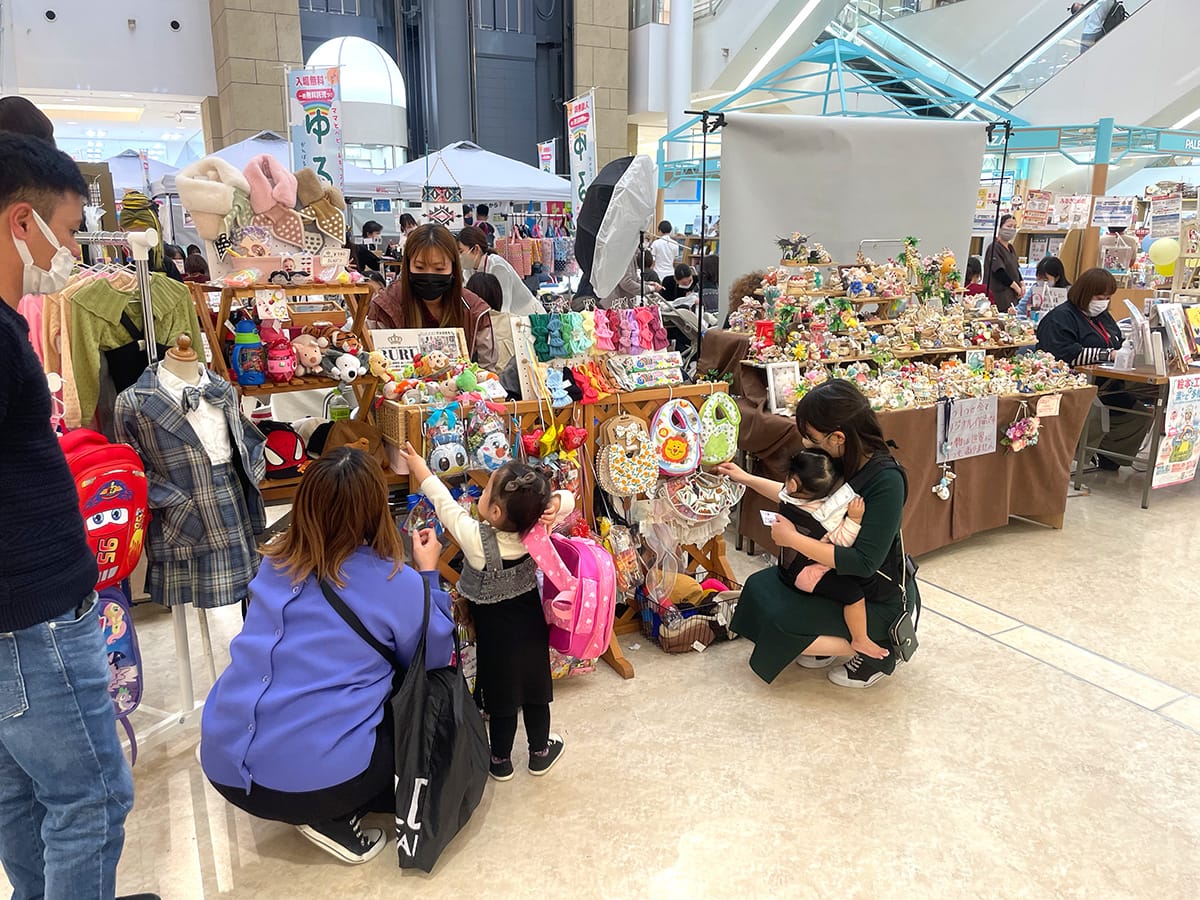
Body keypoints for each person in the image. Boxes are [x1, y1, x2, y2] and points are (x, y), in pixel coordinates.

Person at [0, 132, 158, 900]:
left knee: (25, 798)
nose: (72, 252)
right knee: (92, 798)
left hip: (19, 622)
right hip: (32, 620)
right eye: (66, 232)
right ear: (20, 222)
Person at [201, 448, 455, 865]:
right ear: (376, 510)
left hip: (222, 763)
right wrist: (428, 575)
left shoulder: (273, 561)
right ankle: (330, 815)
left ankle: (301, 782)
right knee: (413, 726)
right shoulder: (395, 581)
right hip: (312, 787)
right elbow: (435, 658)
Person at [718, 379, 908, 688]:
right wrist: (744, 477)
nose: (806, 444)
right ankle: (829, 637)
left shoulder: (886, 481)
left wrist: (794, 540)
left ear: (837, 437)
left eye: (811, 437)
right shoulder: (839, 459)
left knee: (784, 626)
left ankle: (878, 649)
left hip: (871, 591)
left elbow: (863, 563)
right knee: (757, 589)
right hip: (826, 572)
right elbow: (793, 496)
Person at [398, 447, 570, 781]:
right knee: (536, 692)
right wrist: (554, 506)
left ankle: (500, 761)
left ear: (493, 510)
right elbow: (567, 500)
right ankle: (539, 753)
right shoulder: (536, 530)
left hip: (494, 635)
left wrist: (420, 467)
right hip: (531, 628)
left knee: (501, 696)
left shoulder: (476, 540)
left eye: (487, 487)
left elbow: (444, 503)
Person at [1036, 267, 1152, 470]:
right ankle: (1081, 458)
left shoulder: (1103, 317)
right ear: (1085, 293)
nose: (1103, 301)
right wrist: (1108, 354)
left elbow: (1117, 341)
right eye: (1099, 296)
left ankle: (1111, 458)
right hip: (1070, 383)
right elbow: (1065, 353)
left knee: (1141, 414)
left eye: (1107, 297)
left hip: (1107, 382)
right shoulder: (1060, 317)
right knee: (1095, 412)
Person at [778, 450, 890, 661]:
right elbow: (842, 543)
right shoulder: (823, 516)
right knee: (854, 594)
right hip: (808, 574)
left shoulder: (786, 496)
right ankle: (860, 639)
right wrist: (854, 520)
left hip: (790, 567)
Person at [368, 223, 497, 367]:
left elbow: (488, 368)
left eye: (439, 268)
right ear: (408, 265)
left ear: (453, 268)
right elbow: (373, 360)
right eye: (419, 267)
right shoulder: (385, 305)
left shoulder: (474, 309)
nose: (429, 275)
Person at [458, 225, 543, 315]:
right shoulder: (468, 270)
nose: (458, 256)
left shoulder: (498, 266)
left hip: (529, 316)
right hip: (506, 319)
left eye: (461, 252)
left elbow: (504, 307)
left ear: (476, 249)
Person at [467, 271, 515, 371]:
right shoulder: (515, 320)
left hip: (484, 380)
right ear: (498, 295)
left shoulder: (473, 324)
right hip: (516, 380)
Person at [983, 214, 1023, 313]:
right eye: (1009, 226)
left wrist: (1022, 283)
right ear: (1000, 227)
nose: (1012, 229)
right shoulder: (994, 248)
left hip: (1012, 297)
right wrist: (1016, 287)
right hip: (999, 296)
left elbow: (1015, 269)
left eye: (1014, 227)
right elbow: (999, 272)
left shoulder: (1011, 248)